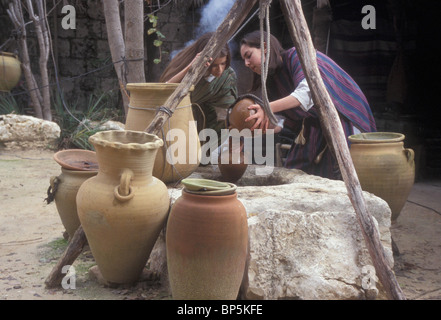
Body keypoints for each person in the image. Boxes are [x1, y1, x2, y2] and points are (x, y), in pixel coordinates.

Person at [239, 31, 377, 180]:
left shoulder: (298, 56)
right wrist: (256, 128)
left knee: (341, 178)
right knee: (294, 176)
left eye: (248, 55)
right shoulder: (273, 81)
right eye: (243, 60)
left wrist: (266, 108)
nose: (246, 64)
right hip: (315, 127)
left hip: (344, 118)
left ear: (264, 47)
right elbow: (284, 122)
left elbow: (308, 93)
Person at [159, 32, 238, 138]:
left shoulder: (227, 76)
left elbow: (228, 108)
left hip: (213, 125)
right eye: (214, 65)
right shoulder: (184, 63)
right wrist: (190, 68)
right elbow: (164, 90)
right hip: (182, 120)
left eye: (223, 63)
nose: (220, 70)